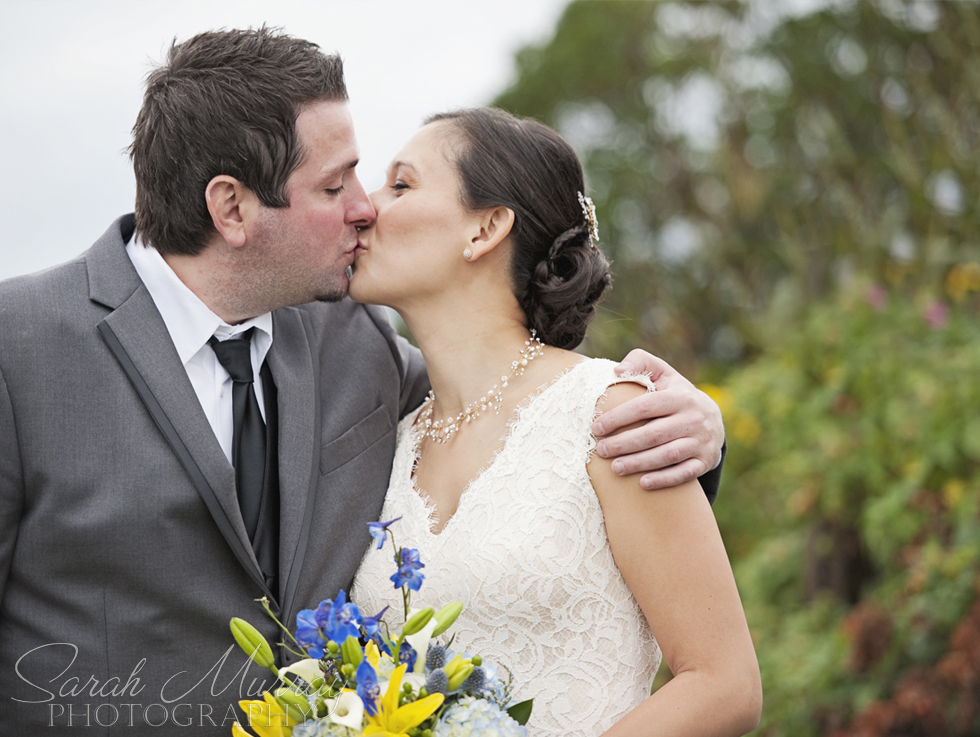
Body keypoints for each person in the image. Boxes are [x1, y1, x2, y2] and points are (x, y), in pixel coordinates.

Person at [0, 29, 724, 734]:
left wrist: (697, 427)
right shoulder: (19, 346)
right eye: (334, 182)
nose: (364, 206)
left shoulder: (355, 347)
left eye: (379, 179)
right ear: (231, 207)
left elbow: (528, 424)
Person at [350, 108, 761, 736]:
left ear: (485, 228)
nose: (365, 207)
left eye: (401, 185)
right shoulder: (393, 438)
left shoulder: (611, 413)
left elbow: (724, 684)